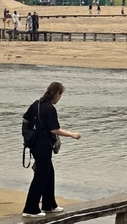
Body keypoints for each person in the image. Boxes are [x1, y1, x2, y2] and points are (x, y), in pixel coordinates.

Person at [22, 82, 82, 216]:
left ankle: (49, 204)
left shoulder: (36, 104)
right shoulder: (49, 108)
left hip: (36, 144)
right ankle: (30, 209)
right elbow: (54, 129)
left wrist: (28, 137)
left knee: (49, 173)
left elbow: (25, 120)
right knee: (41, 175)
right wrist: (72, 134)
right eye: (61, 95)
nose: (60, 98)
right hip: (42, 145)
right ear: (57, 94)